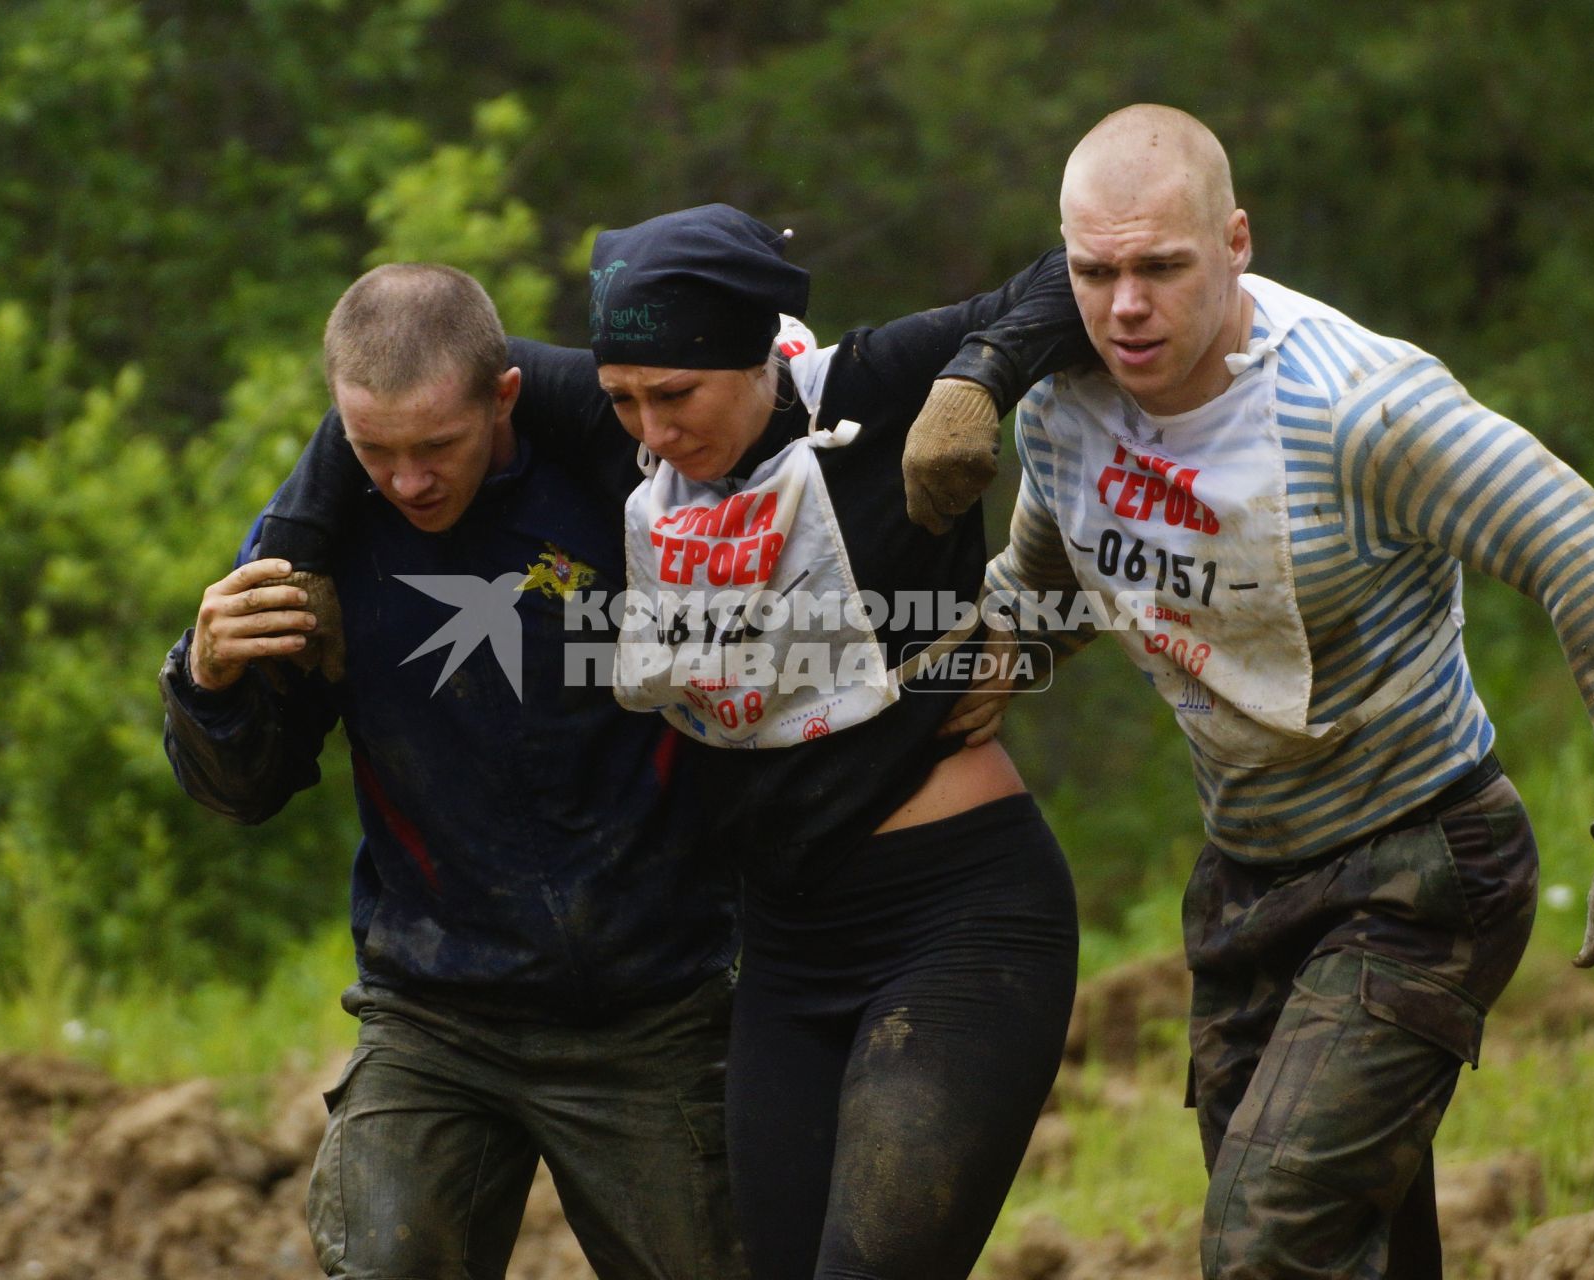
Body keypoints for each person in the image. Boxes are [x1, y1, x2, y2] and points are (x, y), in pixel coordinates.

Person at [902, 105, 1594, 1279]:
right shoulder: (1062, 405)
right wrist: (961, 673)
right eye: (1093, 271)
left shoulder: (1362, 412)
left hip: (1420, 866)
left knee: (1265, 1244)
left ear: (1235, 242)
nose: (1124, 307)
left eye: (1161, 268)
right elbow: (1049, 582)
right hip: (1243, 879)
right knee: (1347, 1246)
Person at [256, 205, 1097, 1280]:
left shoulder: (867, 386)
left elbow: (1075, 281)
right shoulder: (616, 405)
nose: (647, 431)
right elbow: (415, 382)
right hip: (784, 943)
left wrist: (979, 375)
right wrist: (296, 544)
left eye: (675, 398)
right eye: (621, 402)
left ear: (752, 355)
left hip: (946, 906)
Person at [160, 263, 747, 1280]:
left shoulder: (623, 488)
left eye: (436, 445)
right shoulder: (315, 546)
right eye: (373, 450)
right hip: (436, 1011)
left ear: (503, 395)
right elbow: (241, 789)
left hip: (650, 1008)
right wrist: (205, 678)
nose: (409, 480)